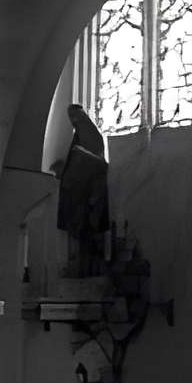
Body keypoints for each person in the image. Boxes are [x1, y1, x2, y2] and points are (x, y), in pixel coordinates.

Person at [54, 103, 109, 275]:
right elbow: (73, 166)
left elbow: (102, 165)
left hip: (91, 195)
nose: (74, 121)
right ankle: (76, 269)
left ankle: (88, 270)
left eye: (76, 116)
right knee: (77, 237)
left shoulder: (94, 138)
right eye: (71, 118)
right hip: (76, 196)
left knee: (89, 238)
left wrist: (81, 154)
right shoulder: (77, 138)